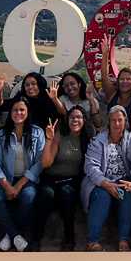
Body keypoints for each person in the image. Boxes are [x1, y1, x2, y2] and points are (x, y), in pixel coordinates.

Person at [0, 98, 52, 252]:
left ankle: (9, 235)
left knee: (28, 196)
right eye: (15, 110)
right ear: (10, 113)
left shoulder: (37, 133)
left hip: (27, 180)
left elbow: (39, 163)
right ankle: (15, 235)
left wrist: (20, 185)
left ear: (28, 112)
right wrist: (7, 186)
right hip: (6, 180)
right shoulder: (1, 134)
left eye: (22, 110)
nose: (18, 113)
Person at [82, 105, 131, 251]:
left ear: (125, 121)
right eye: (113, 120)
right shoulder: (98, 140)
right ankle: (93, 240)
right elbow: (90, 167)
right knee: (102, 196)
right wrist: (105, 183)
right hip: (101, 182)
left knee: (127, 195)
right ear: (108, 121)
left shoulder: (129, 137)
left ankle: (123, 239)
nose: (116, 124)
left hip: (122, 181)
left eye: (120, 120)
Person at [36, 104, 91, 250]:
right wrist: (49, 139)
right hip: (52, 178)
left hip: (72, 180)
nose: (75, 120)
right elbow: (46, 163)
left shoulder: (87, 139)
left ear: (84, 120)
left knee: (67, 194)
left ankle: (69, 236)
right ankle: (36, 236)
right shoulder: (60, 135)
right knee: (46, 195)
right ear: (67, 120)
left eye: (79, 117)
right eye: (72, 117)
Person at [99, 34, 131, 140]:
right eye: (122, 79)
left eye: (128, 79)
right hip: (113, 141)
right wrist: (105, 54)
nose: (125, 82)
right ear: (117, 82)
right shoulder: (112, 95)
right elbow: (104, 77)